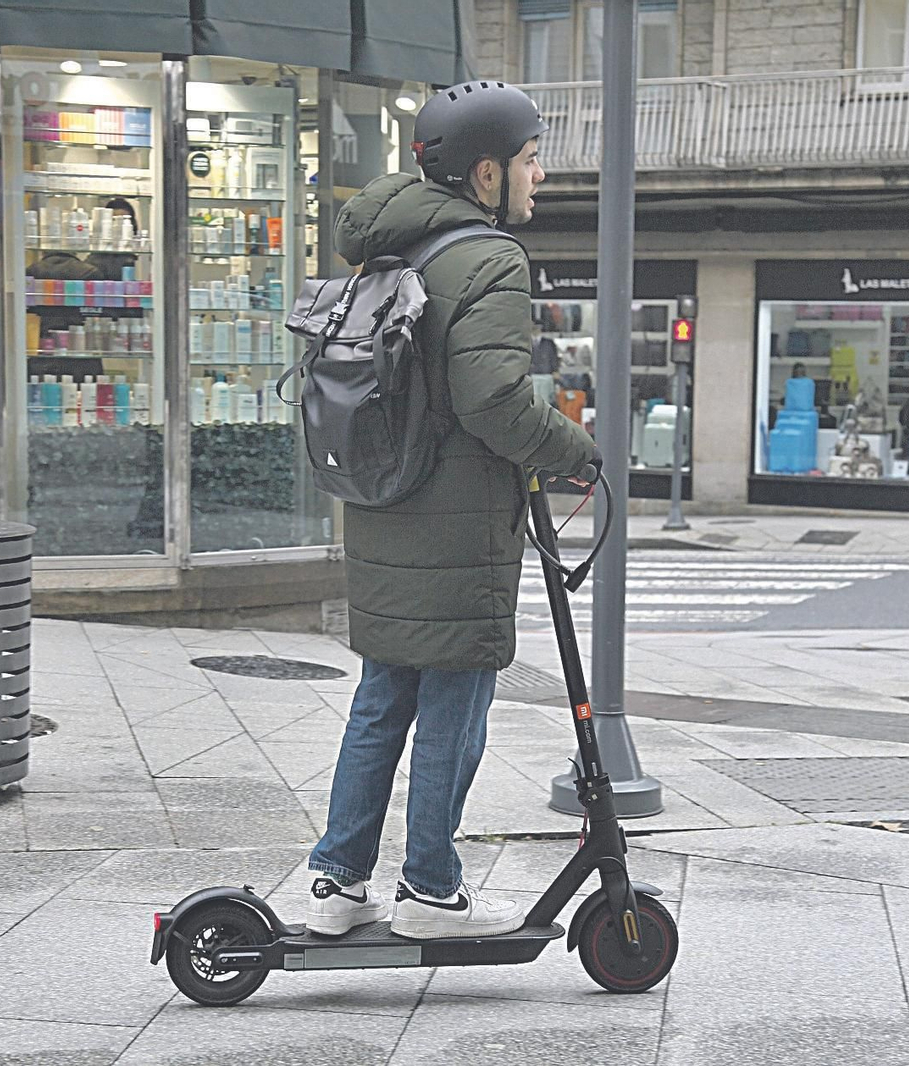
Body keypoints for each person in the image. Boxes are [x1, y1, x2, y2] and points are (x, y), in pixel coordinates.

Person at [305, 81, 598, 940]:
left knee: (380, 701)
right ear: (485, 172)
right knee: (455, 709)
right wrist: (579, 452)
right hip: (460, 524)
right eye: (531, 158)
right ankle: (430, 892)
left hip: (386, 507)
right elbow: (494, 402)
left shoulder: (390, 248)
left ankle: (337, 881)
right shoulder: (492, 258)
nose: (540, 175)